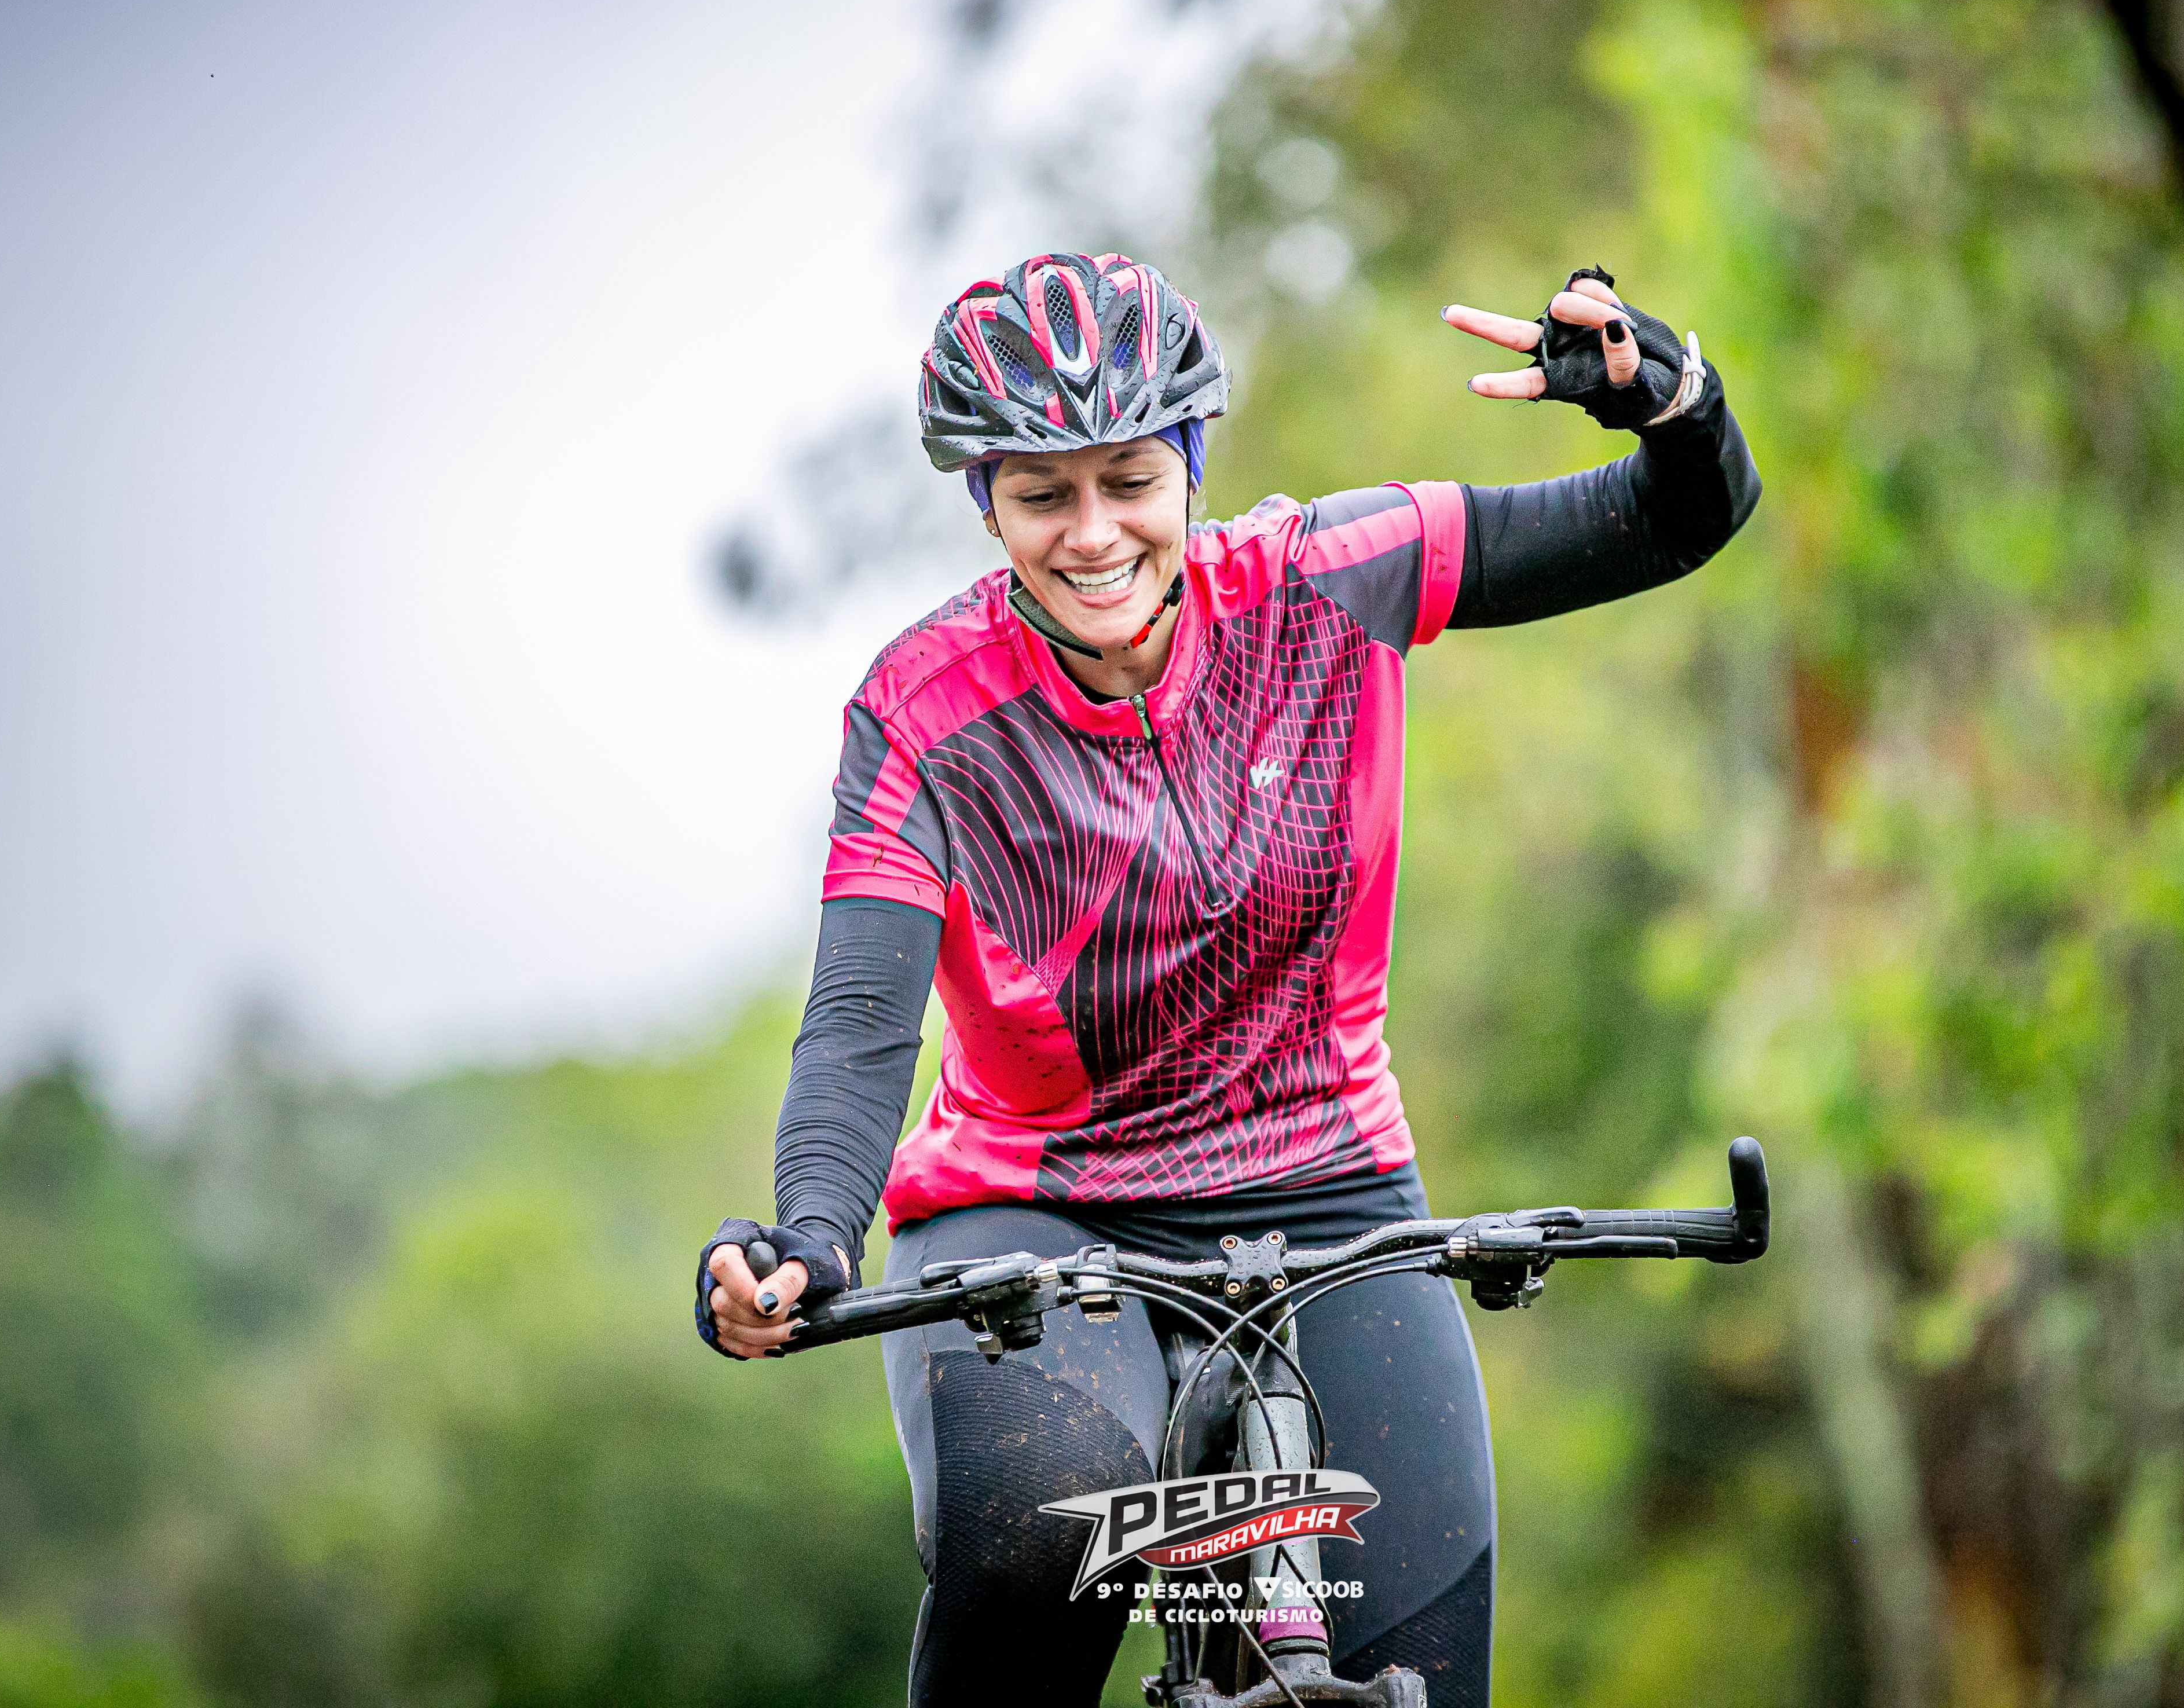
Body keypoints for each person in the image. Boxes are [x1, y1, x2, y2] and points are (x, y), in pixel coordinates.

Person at [694, 251, 1759, 1707]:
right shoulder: (921, 712)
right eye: (1042, 495)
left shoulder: (1334, 576)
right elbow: (863, 1021)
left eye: (1130, 480)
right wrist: (812, 1236)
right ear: (987, 503)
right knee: (1038, 1532)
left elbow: (1683, 519)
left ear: (1191, 464)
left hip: (1327, 1173)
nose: (1093, 535)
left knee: (1424, 1640)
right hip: (1040, 1197)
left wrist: (1670, 407)